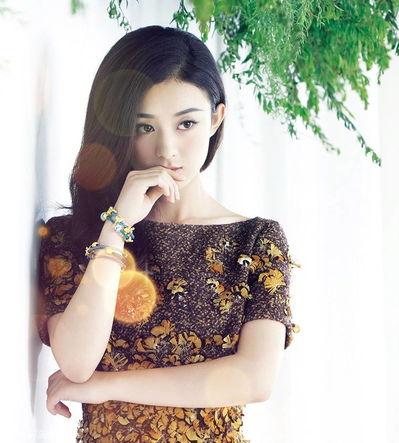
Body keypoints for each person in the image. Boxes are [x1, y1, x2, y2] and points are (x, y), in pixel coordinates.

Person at [36, 25, 299, 442]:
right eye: (145, 128)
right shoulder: (77, 235)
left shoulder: (255, 241)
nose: (167, 150)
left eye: (186, 123)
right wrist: (116, 227)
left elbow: (253, 378)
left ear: (215, 118)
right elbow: (77, 364)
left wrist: (107, 387)